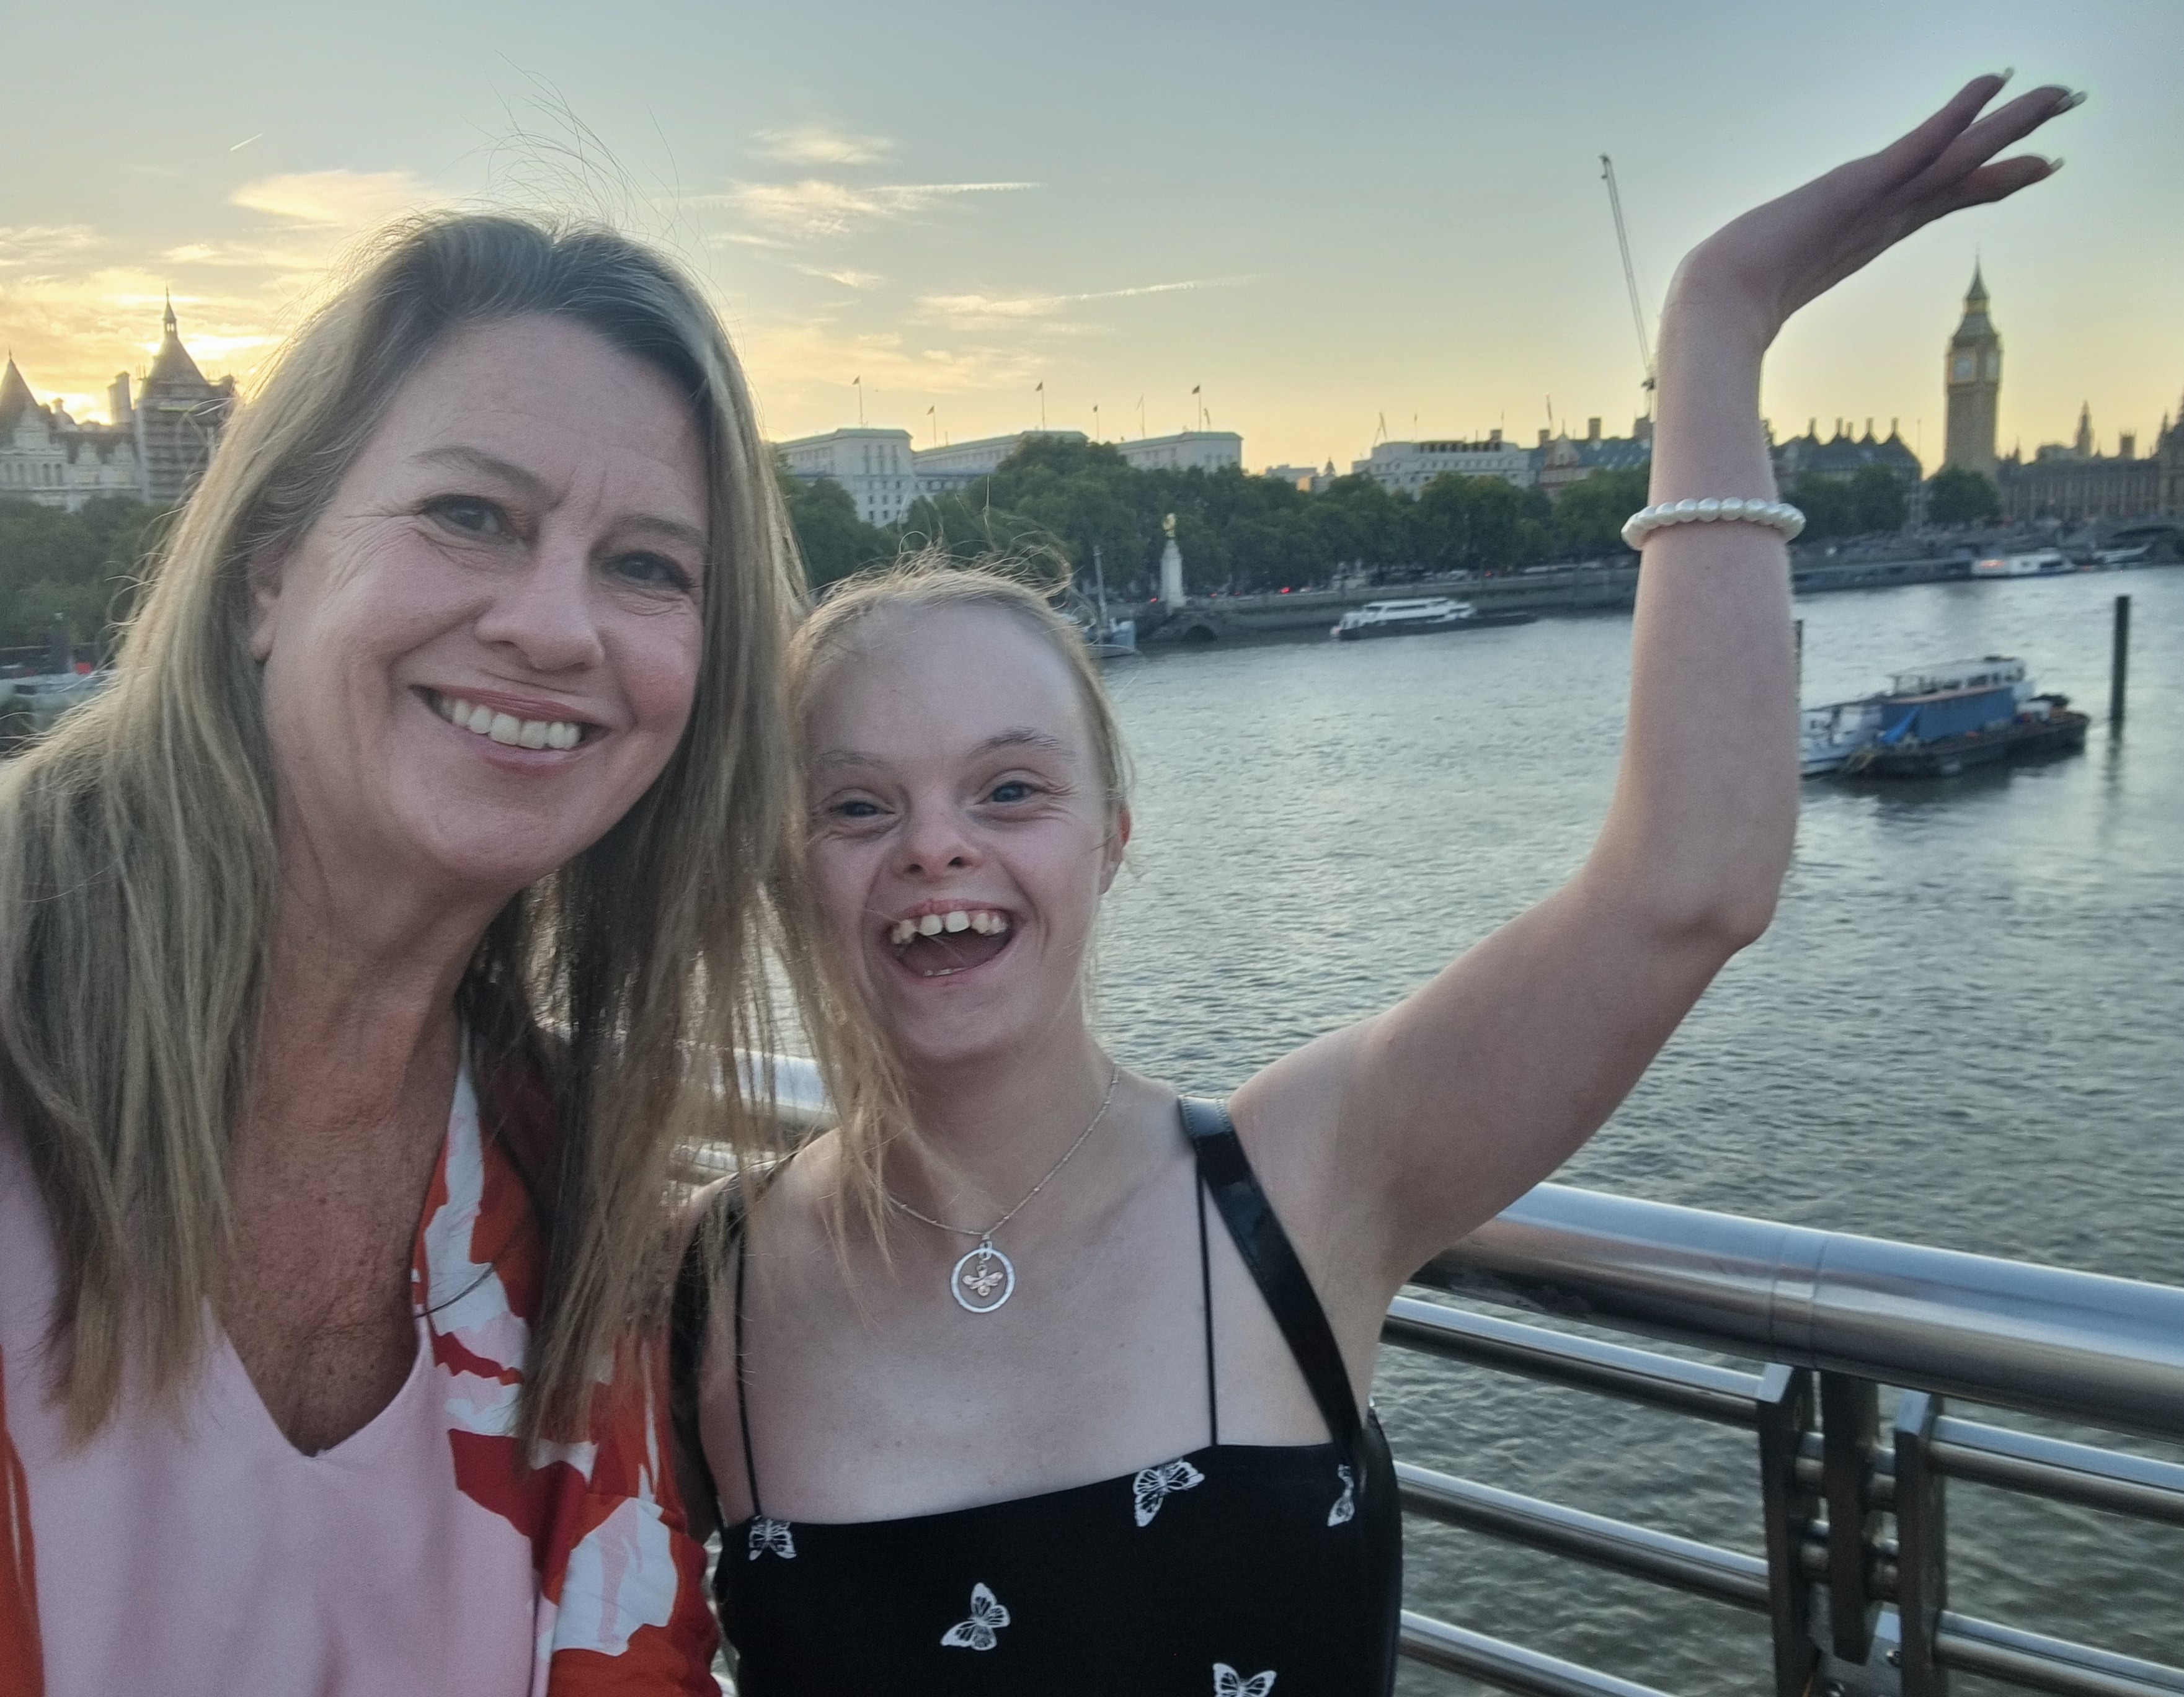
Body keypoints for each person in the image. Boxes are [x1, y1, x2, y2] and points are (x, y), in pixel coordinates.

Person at [676, 73, 2079, 1695]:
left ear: (1111, 836)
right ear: (776, 870)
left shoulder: (1305, 1176)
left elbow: (1686, 889)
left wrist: (1717, 324)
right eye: (859, 806)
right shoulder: (693, 1291)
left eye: (1009, 789)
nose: (938, 846)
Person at [0, 213, 801, 1696]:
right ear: (268, 571)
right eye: (470, 515)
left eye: (646, 566)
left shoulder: (568, 1196)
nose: (554, 629)